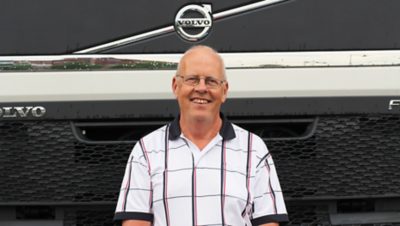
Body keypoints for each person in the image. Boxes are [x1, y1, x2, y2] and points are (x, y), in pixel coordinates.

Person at [114, 45, 288, 226]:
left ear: (224, 90)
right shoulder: (146, 150)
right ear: (175, 86)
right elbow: (135, 222)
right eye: (192, 79)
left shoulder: (254, 149)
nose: (202, 88)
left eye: (211, 81)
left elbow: (268, 222)